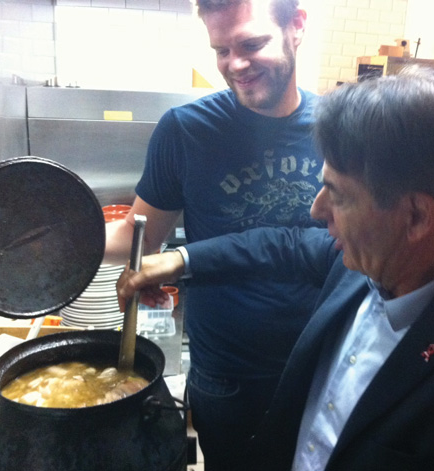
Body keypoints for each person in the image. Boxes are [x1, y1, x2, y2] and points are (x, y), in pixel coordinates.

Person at [117, 66, 434, 470]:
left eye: (339, 194)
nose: (317, 211)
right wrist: (178, 260)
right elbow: (283, 244)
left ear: (415, 217)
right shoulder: (370, 257)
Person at [103, 0, 324, 469]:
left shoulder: (339, 128)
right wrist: (53, 242)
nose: (235, 65)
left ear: (297, 26)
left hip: (325, 365)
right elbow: (138, 236)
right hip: (229, 378)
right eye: (221, 50)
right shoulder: (186, 131)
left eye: (251, 44)